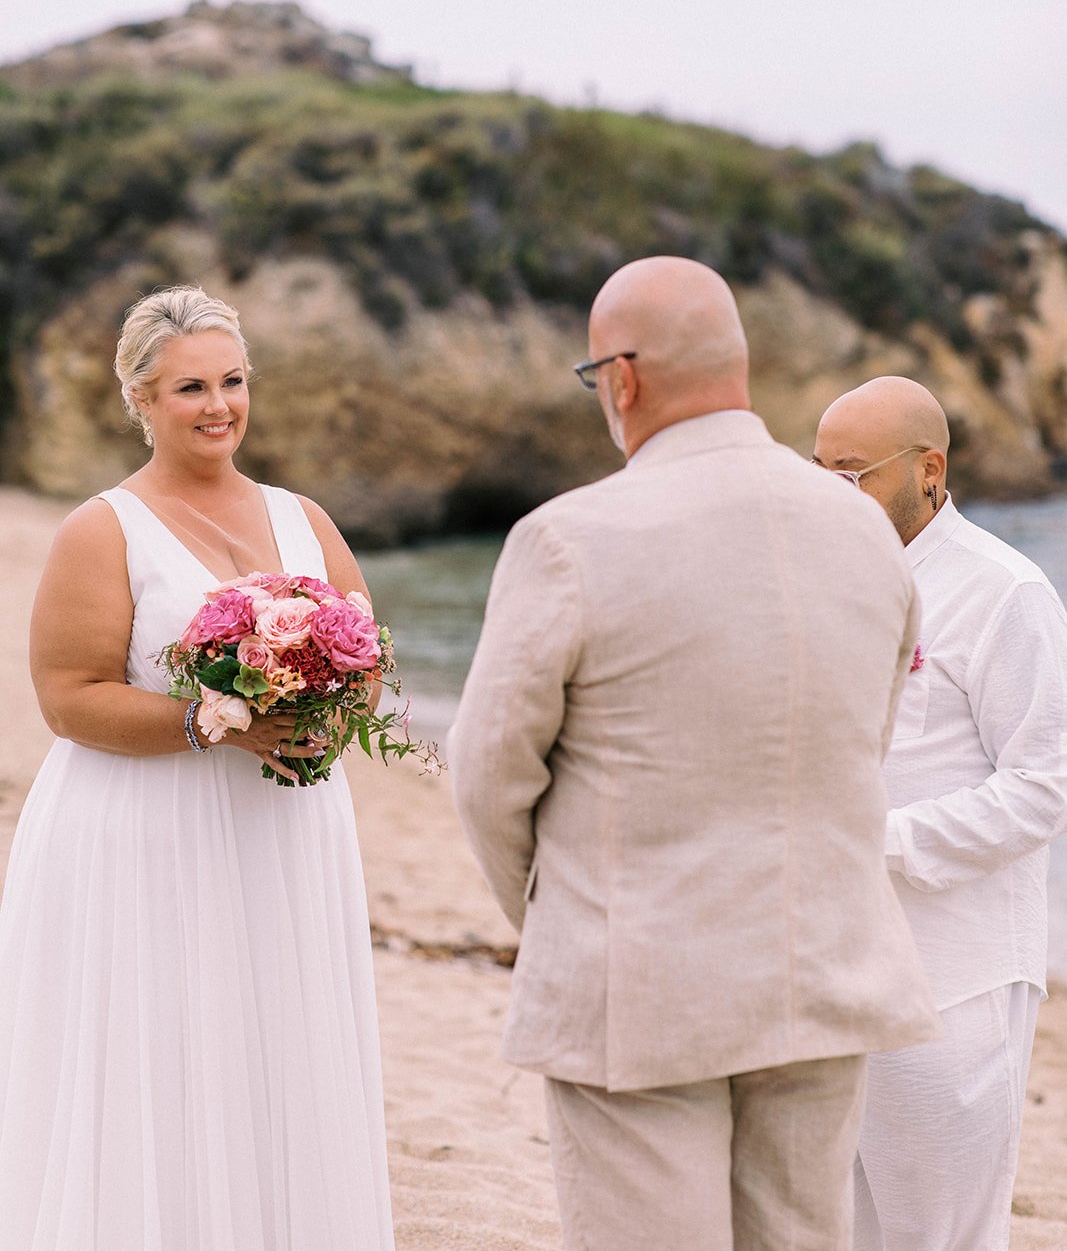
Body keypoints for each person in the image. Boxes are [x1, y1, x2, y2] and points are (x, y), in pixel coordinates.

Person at [449, 256, 939, 1251]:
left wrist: (554, 913)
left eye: (595, 379)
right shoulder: (865, 533)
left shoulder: (566, 538)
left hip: (639, 984)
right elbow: (862, 743)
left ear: (622, 378)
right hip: (823, 971)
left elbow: (487, 773)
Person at [0, 286, 394, 1251]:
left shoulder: (302, 517)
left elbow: (367, 658)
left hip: (282, 831)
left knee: (279, 1047)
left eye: (231, 381)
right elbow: (69, 697)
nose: (218, 405)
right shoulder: (103, 530)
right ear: (139, 398)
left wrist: (326, 711)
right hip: (147, 833)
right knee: (165, 1050)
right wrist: (217, 721)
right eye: (189, 388)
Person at [814, 376, 1067, 1251]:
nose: (832, 495)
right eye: (819, 473)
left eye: (854, 473)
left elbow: (1040, 789)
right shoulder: (817, 584)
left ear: (929, 470)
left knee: (940, 1234)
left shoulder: (1007, 593)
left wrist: (871, 843)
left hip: (949, 976)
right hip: (822, 962)